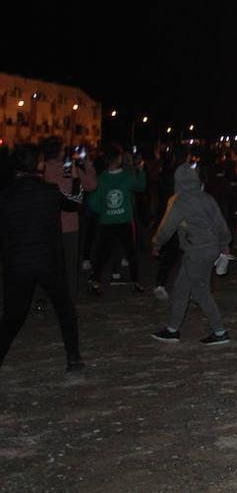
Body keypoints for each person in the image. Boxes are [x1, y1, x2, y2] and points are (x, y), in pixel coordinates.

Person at [0, 144, 84, 372]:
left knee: (12, 318)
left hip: (18, 264)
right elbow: (75, 203)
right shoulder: (50, 191)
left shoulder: (6, 195)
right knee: (65, 310)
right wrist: (75, 179)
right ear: (38, 164)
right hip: (49, 262)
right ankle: (74, 359)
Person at [151, 159, 233, 345]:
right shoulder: (207, 198)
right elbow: (221, 223)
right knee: (181, 289)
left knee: (201, 291)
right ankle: (172, 330)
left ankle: (220, 332)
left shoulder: (181, 202)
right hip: (208, 249)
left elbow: (167, 227)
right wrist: (224, 243)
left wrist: (157, 243)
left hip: (196, 252)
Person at [41, 136, 96, 301]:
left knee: (51, 263)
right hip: (69, 224)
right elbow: (91, 185)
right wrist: (86, 163)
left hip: (48, 224)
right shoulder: (68, 168)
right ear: (58, 152)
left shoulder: (42, 170)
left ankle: (52, 296)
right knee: (70, 264)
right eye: (63, 149)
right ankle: (69, 298)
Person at [87, 144, 147, 294]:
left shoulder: (101, 179)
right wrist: (140, 170)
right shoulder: (127, 178)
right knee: (131, 252)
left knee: (101, 253)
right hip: (125, 221)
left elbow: (93, 202)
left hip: (107, 222)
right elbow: (141, 186)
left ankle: (95, 282)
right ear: (119, 159)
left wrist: (105, 211)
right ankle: (136, 282)